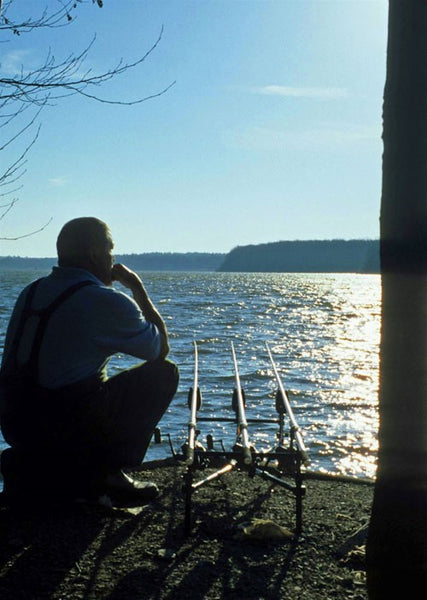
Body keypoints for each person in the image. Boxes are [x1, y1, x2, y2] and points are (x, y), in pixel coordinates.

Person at [0, 217, 179, 506]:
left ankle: (43, 468)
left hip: (16, 422)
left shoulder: (31, 291)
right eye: (111, 250)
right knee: (163, 374)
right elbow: (160, 348)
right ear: (96, 253)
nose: (113, 259)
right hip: (62, 424)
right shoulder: (101, 299)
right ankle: (108, 474)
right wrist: (137, 287)